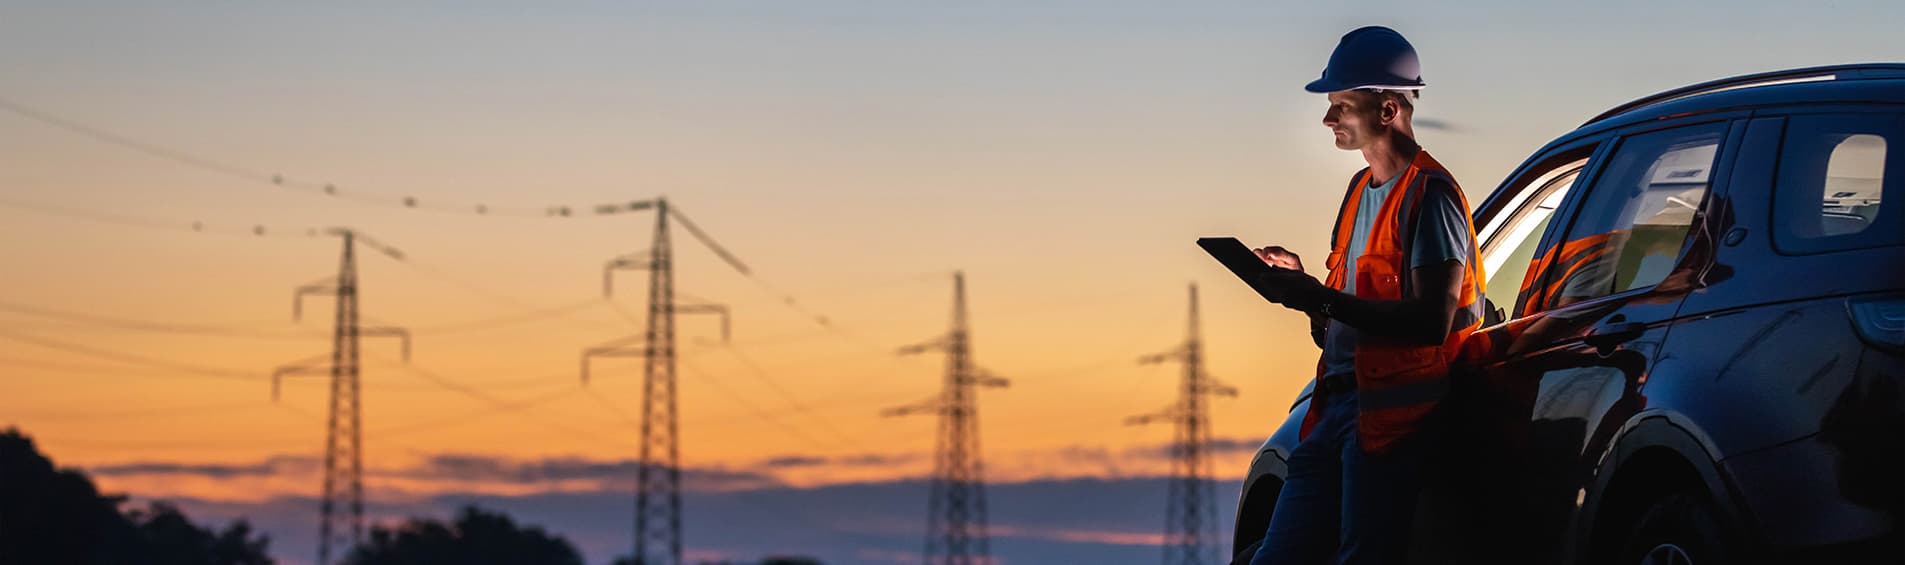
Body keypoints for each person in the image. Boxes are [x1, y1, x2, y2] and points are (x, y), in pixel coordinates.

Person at [1246, 26, 1487, 565]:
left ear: (1386, 108)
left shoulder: (1432, 196)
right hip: (1337, 409)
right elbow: (1340, 318)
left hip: (1392, 423)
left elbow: (1432, 321)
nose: (1328, 119)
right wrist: (1306, 289)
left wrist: (1319, 297)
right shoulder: (1359, 191)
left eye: (1340, 105)